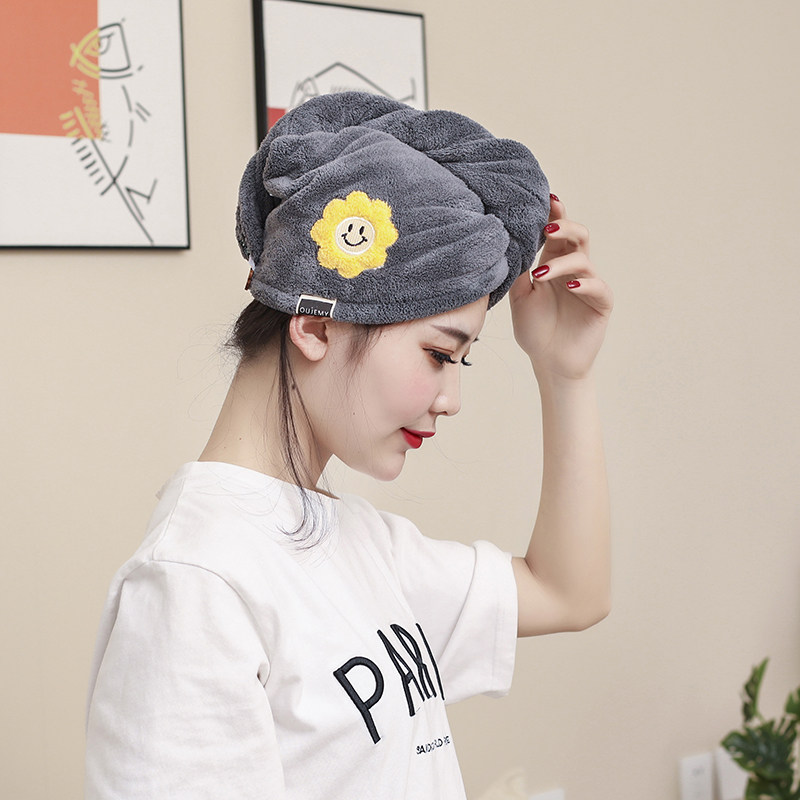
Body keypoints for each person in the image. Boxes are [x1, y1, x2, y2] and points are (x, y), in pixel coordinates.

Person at [84, 92, 612, 799]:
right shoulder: (195, 583)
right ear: (317, 325)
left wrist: (564, 372)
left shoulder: (360, 543)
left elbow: (569, 594)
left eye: (462, 360)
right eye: (438, 354)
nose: (451, 399)